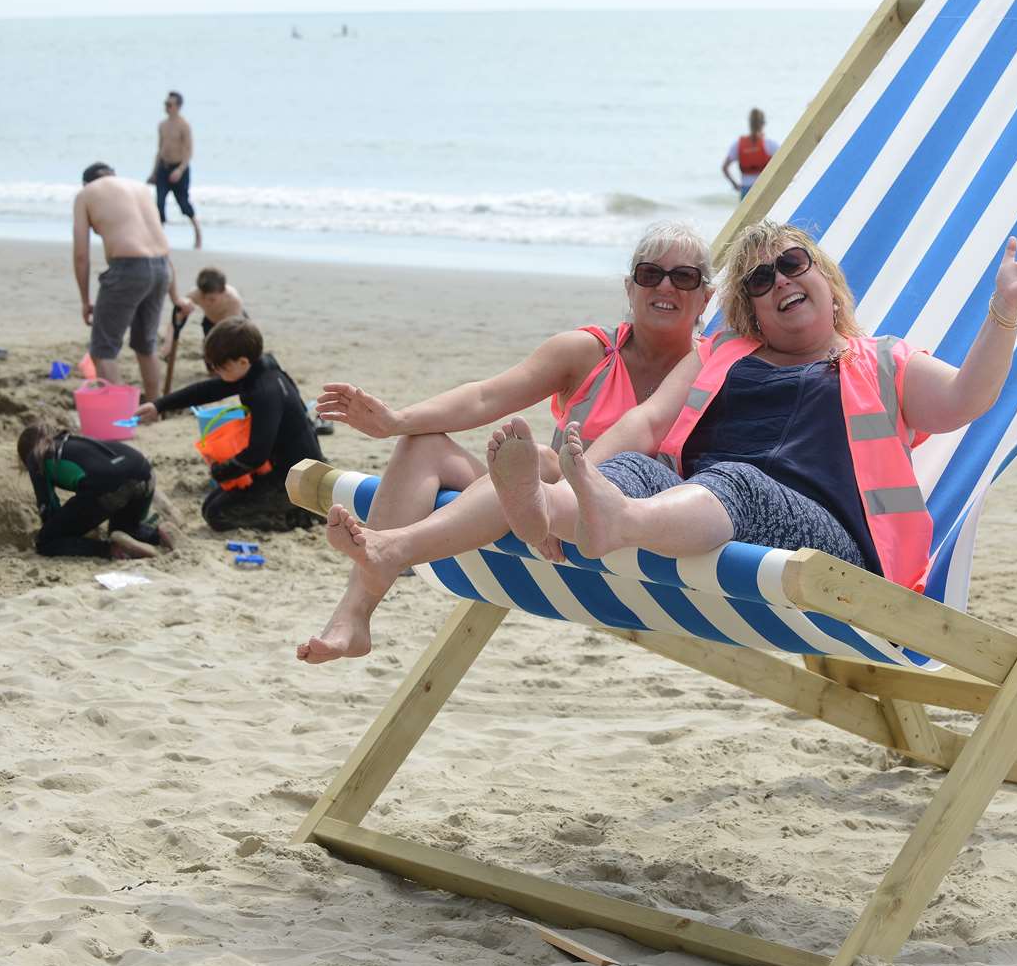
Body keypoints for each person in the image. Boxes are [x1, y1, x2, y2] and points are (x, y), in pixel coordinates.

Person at [312, 217, 1017, 665]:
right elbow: (645, 426)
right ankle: (565, 512)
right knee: (638, 468)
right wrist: (579, 472)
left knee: (731, 482)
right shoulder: (724, 357)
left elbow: (969, 399)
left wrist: (1004, 309)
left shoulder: (885, 361)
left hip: (827, 538)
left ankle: (601, 518)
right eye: (760, 283)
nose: (778, 282)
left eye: (791, 266)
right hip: (696, 504)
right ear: (748, 314)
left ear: (828, 282)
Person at [296, 220, 716, 664]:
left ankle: (395, 547)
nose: (664, 285)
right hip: (536, 517)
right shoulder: (587, 352)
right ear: (630, 288)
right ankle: (353, 617)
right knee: (424, 444)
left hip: (630, 536)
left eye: (683, 276)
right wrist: (395, 421)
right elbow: (485, 396)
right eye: (651, 274)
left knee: (539, 462)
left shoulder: (714, 371)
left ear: (706, 296)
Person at [137, 317, 324, 532]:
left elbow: (256, 454)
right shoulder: (259, 368)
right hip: (291, 466)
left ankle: (301, 517)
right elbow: (208, 390)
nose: (218, 373)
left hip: (298, 478)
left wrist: (221, 471)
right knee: (210, 504)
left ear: (243, 362)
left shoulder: (264, 392)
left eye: (222, 368)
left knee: (217, 514)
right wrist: (159, 406)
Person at [73, 162, 187, 401]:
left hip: (128, 268)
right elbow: (162, 247)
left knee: (103, 349)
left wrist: (85, 300)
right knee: (146, 345)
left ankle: (118, 411)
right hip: (162, 268)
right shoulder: (140, 189)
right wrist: (176, 296)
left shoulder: (86, 194)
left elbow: (81, 255)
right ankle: (154, 407)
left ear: (87, 183)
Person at [17, 423, 170, 559]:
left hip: (109, 484)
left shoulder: (36, 456)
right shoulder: (74, 441)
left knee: (47, 541)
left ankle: (113, 550)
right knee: (125, 529)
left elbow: (48, 506)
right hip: (144, 472)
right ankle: (159, 535)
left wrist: (61, 530)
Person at [147, 91, 201, 249]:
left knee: (183, 203)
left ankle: (197, 230)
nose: (167, 107)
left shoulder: (184, 126)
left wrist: (180, 169)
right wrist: (154, 172)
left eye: (170, 105)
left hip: (179, 169)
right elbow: (160, 149)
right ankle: (158, 237)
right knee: (160, 202)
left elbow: (189, 151)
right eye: (166, 104)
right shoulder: (162, 125)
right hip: (163, 168)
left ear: (178, 106)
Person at [159, 267, 247, 360]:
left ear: (223, 291)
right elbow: (176, 320)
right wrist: (168, 344)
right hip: (210, 321)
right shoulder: (195, 294)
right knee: (210, 356)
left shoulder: (233, 300)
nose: (207, 302)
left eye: (212, 299)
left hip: (234, 324)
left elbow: (233, 332)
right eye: (203, 297)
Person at [722, 109, 779, 200]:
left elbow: (724, 168)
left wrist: (735, 185)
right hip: (763, 189)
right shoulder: (769, 144)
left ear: (750, 124)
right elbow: (785, 162)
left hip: (745, 190)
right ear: (763, 124)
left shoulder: (737, 145)